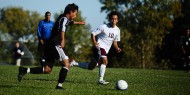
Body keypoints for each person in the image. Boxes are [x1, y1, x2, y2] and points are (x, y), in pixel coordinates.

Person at [18, 3, 96, 90]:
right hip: (55, 44)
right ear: (71, 12)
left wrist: (80, 23)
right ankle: (59, 86)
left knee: (47, 69)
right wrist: (63, 40)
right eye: (75, 13)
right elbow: (62, 29)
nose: (76, 15)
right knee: (66, 64)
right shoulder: (63, 19)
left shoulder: (62, 18)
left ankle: (25, 70)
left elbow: (70, 22)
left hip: (49, 46)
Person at [91, 11, 122, 84]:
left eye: (115, 19)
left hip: (106, 49)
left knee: (91, 66)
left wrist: (117, 48)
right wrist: (95, 42)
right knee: (105, 61)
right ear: (109, 19)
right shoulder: (103, 27)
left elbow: (114, 42)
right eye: (112, 19)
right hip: (100, 46)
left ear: (117, 20)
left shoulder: (117, 30)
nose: (113, 20)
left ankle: (75, 63)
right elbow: (93, 33)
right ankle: (100, 80)